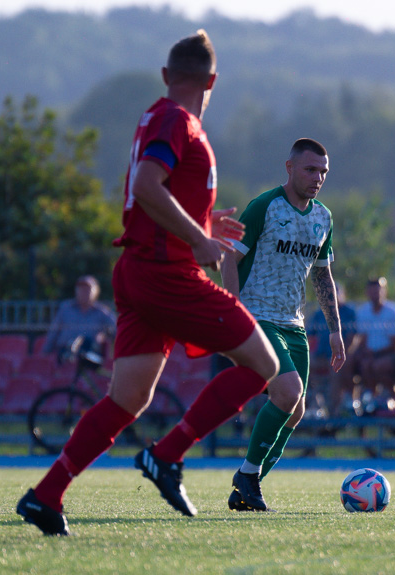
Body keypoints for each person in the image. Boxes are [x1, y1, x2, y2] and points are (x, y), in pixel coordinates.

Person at [16, 30, 279, 536]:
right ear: (213, 80)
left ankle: (47, 495)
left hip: (138, 273)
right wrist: (199, 243)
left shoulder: (159, 117)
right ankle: (167, 455)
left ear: (165, 75)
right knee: (263, 365)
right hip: (166, 276)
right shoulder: (177, 120)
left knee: (127, 398)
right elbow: (146, 186)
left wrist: (203, 227)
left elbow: (154, 196)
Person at [220, 138, 346, 512]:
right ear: (289, 168)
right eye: (310, 169)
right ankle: (247, 479)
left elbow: (323, 277)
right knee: (288, 392)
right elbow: (228, 259)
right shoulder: (265, 206)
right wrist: (232, 312)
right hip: (257, 317)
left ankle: (247, 482)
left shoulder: (324, 217)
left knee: (297, 410)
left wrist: (336, 329)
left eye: (323, 171)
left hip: (293, 323)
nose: (318, 177)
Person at [41, 275, 116, 363]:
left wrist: (105, 335)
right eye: (81, 289)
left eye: (87, 289)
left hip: (89, 355)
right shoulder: (65, 309)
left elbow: (117, 330)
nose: (84, 292)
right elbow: (54, 332)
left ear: (96, 291)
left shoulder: (102, 312)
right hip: (64, 352)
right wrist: (45, 352)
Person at [353, 277, 395, 399]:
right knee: (365, 366)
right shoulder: (363, 312)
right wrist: (368, 353)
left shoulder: (393, 312)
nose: (375, 294)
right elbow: (362, 338)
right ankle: (373, 398)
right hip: (370, 355)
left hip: (389, 354)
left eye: (377, 291)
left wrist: (376, 353)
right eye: (371, 291)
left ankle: (392, 395)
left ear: (384, 291)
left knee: (378, 366)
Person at [308, 283, 356, 414]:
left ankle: (332, 410)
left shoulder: (349, 313)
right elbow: (309, 336)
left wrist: (340, 354)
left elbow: (352, 338)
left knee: (335, 369)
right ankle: (314, 404)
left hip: (338, 357)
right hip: (320, 355)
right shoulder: (319, 314)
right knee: (304, 364)